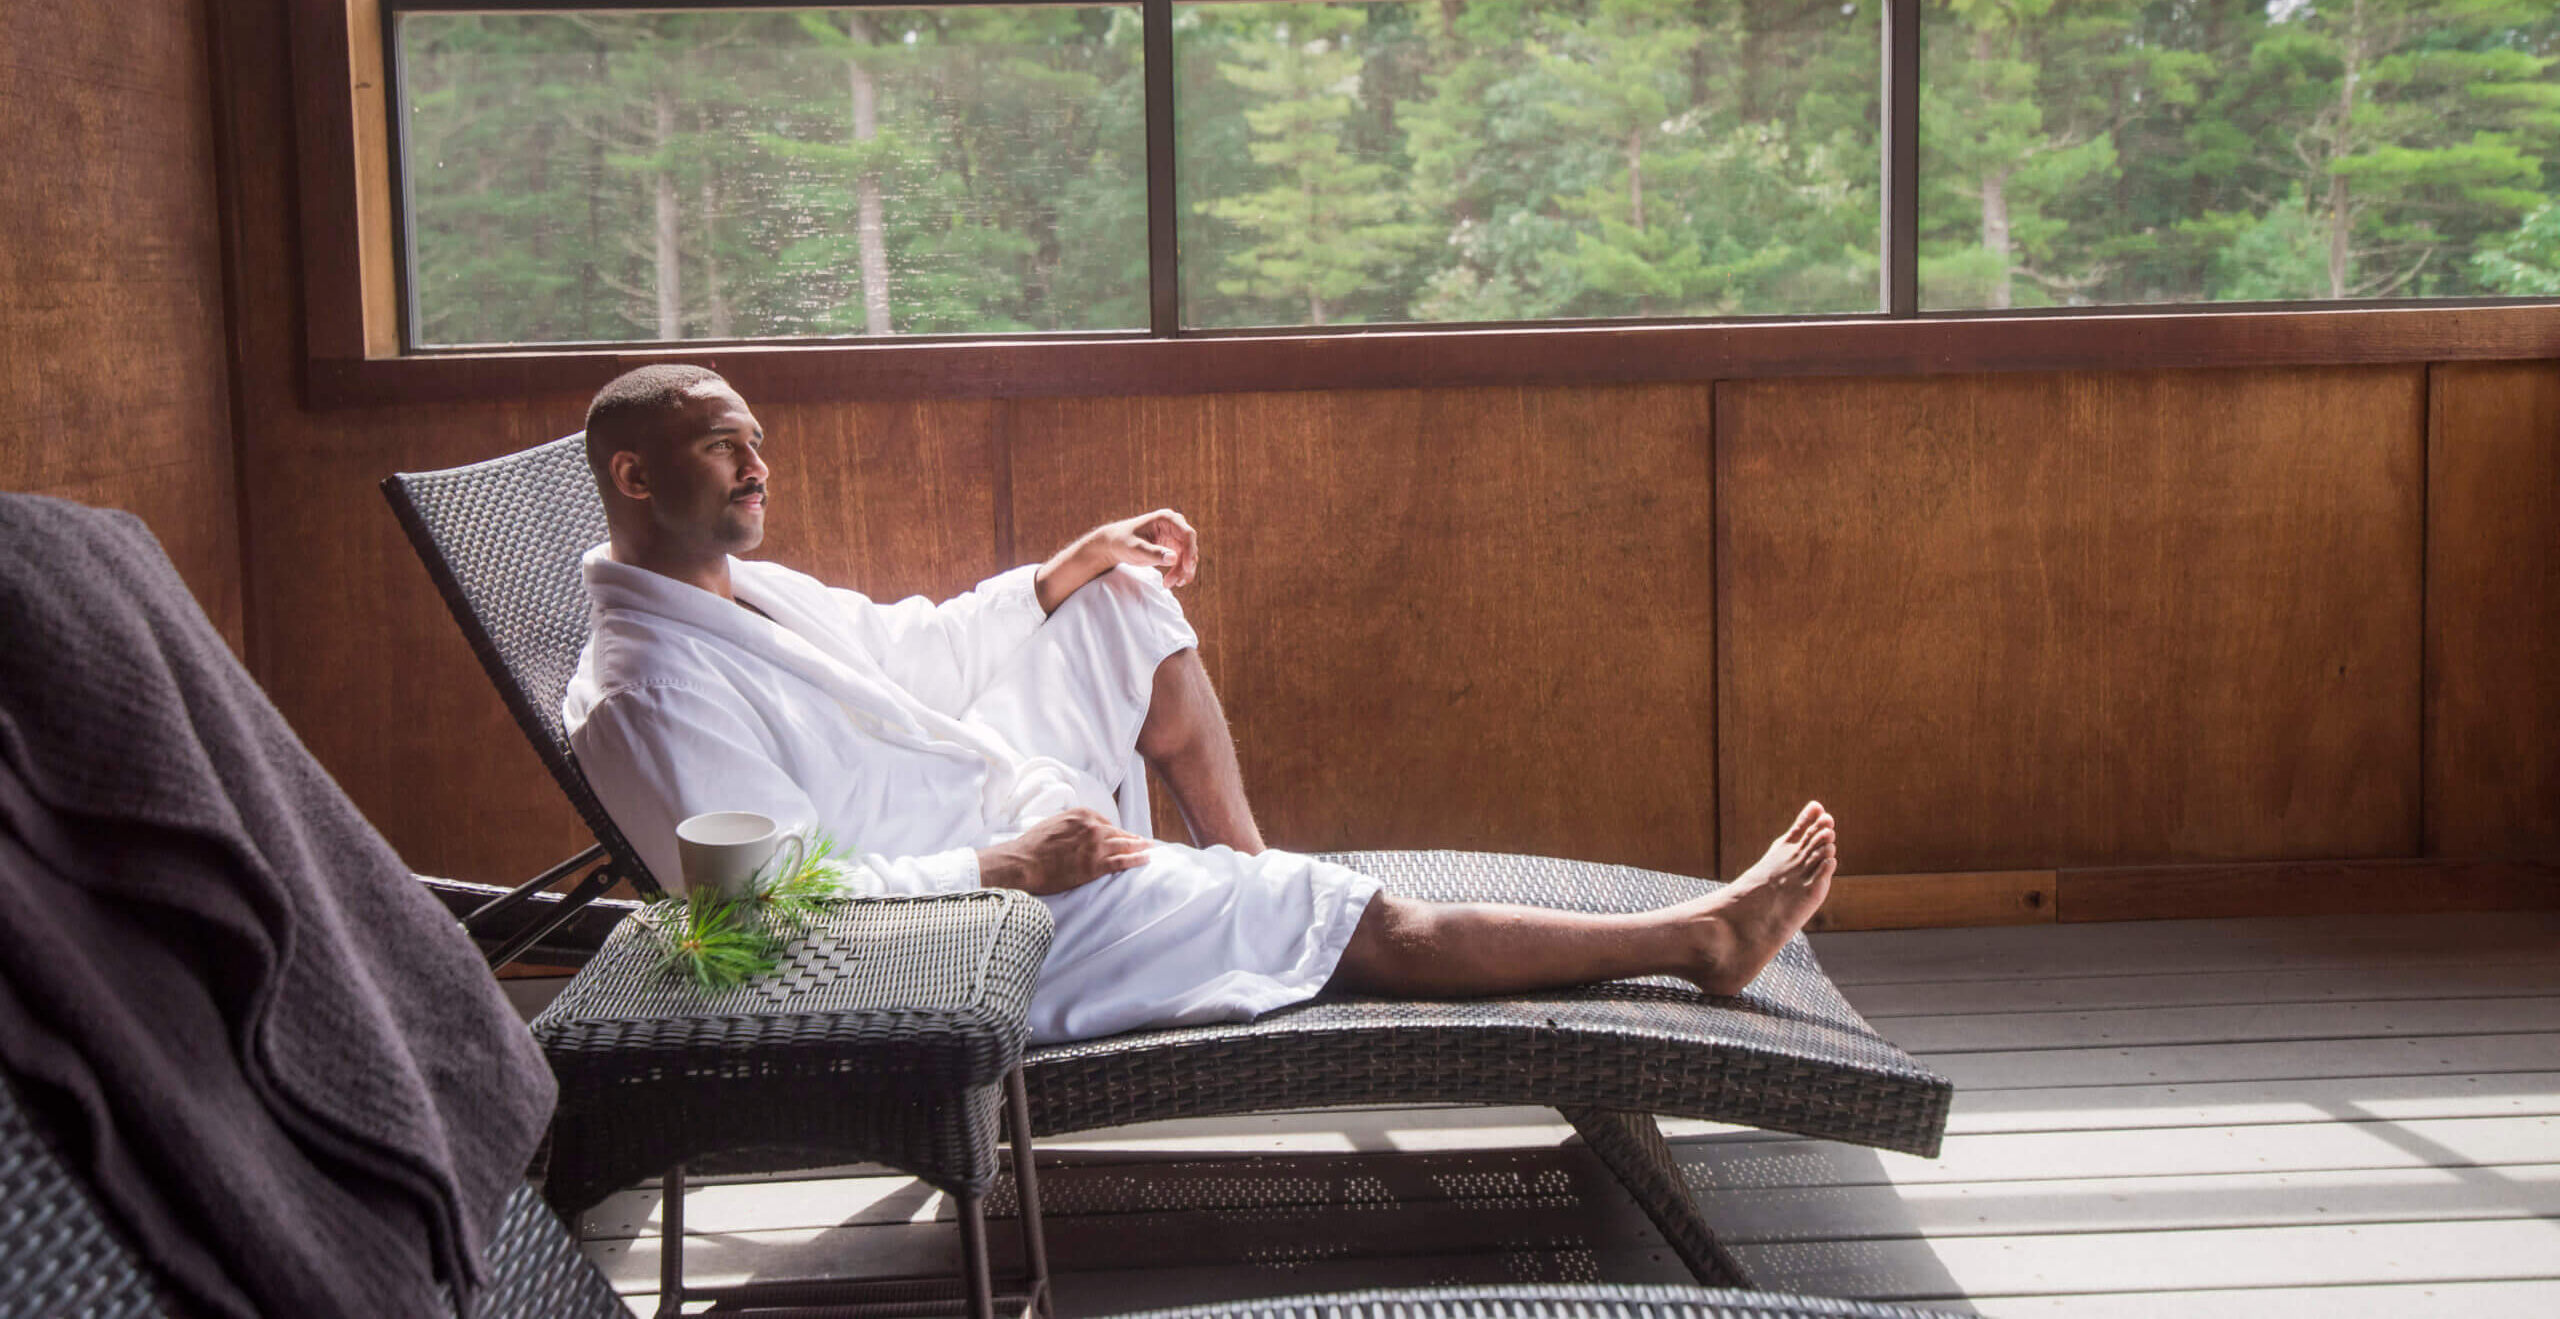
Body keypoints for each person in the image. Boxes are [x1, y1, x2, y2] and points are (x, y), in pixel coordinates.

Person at [564, 364, 1837, 1043]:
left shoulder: (737, 590)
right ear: (634, 473)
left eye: (754, 440)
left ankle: (1243, 872)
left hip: (990, 804)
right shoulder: (646, 692)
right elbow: (767, 917)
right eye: (726, 445)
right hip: (971, 925)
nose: (757, 465)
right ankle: (1698, 940)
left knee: (1119, 598)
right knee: (1372, 920)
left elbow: (913, 654)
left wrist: (1071, 560)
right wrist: (1010, 863)